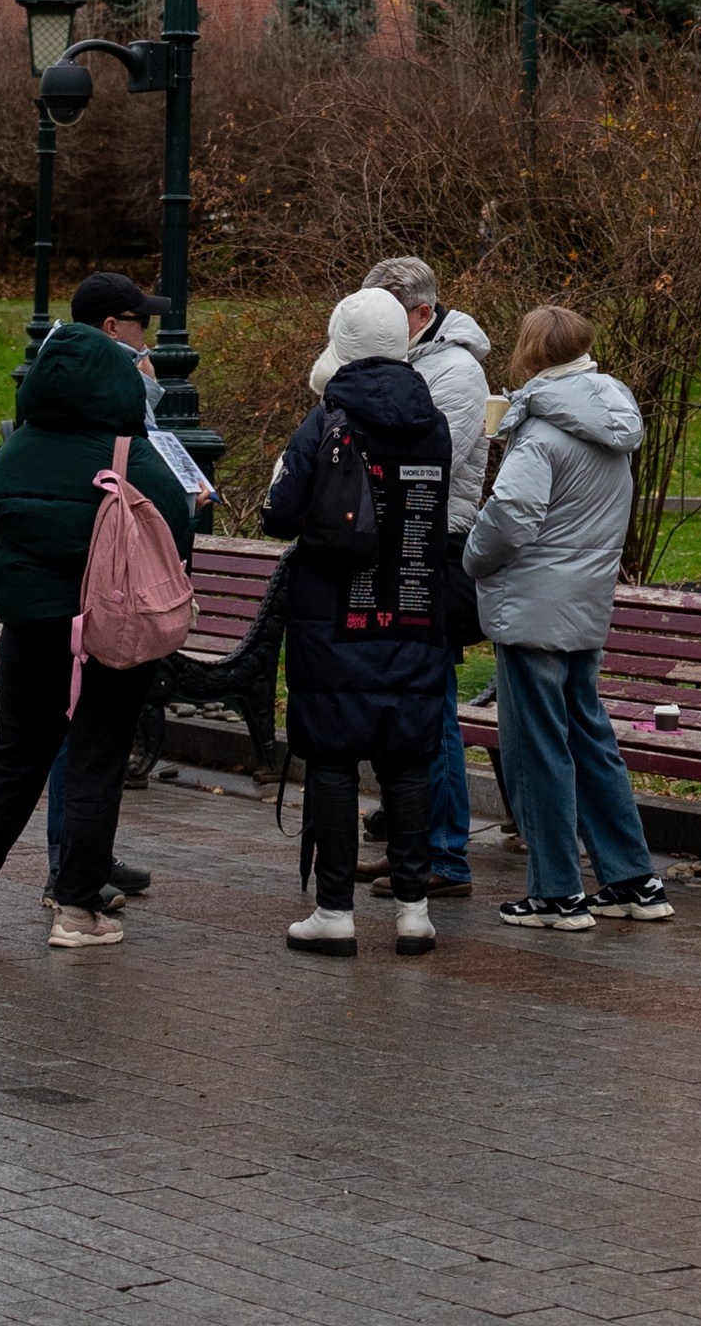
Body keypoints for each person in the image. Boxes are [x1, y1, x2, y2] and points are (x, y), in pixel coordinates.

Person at [0, 317, 195, 950]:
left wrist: (19, 596)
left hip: (29, 633)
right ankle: (77, 913)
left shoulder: (13, 454)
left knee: (14, 756)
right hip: (111, 632)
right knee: (95, 761)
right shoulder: (128, 456)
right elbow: (177, 532)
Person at [462, 302, 671, 932]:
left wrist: (473, 555)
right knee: (591, 737)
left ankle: (556, 891)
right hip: (584, 600)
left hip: (531, 605)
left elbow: (511, 517)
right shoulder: (613, 416)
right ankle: (631, 879)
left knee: (537, 748)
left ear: (531, 352)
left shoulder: (542, 431)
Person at [261, 288, 452, 958]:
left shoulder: (327, 421)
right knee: (408, 762)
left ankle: (334, 912)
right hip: (414, 609)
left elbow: (280, 513)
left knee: (335, 760)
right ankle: (414, 912)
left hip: (334, 618)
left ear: (341, 342)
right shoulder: (435, 421)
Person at [36, 274, 209, 915]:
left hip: (103, 580)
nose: (152, 337)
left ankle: (88, 854)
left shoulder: (83, 381)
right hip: (93, 586)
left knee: (94, 734)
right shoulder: (93, 389)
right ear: (113, 328)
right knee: (79, 732)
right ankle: (67, 868)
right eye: (142, 323)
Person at [360, 254, 491, 901]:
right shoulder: (408, 364)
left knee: (432, 708)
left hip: (434, 552)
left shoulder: (458, 371)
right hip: (399, 549)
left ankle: (445, 854)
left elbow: (429, 458)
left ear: (420, 312)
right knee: (403, 706)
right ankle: (413, 844)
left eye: (387, 318)